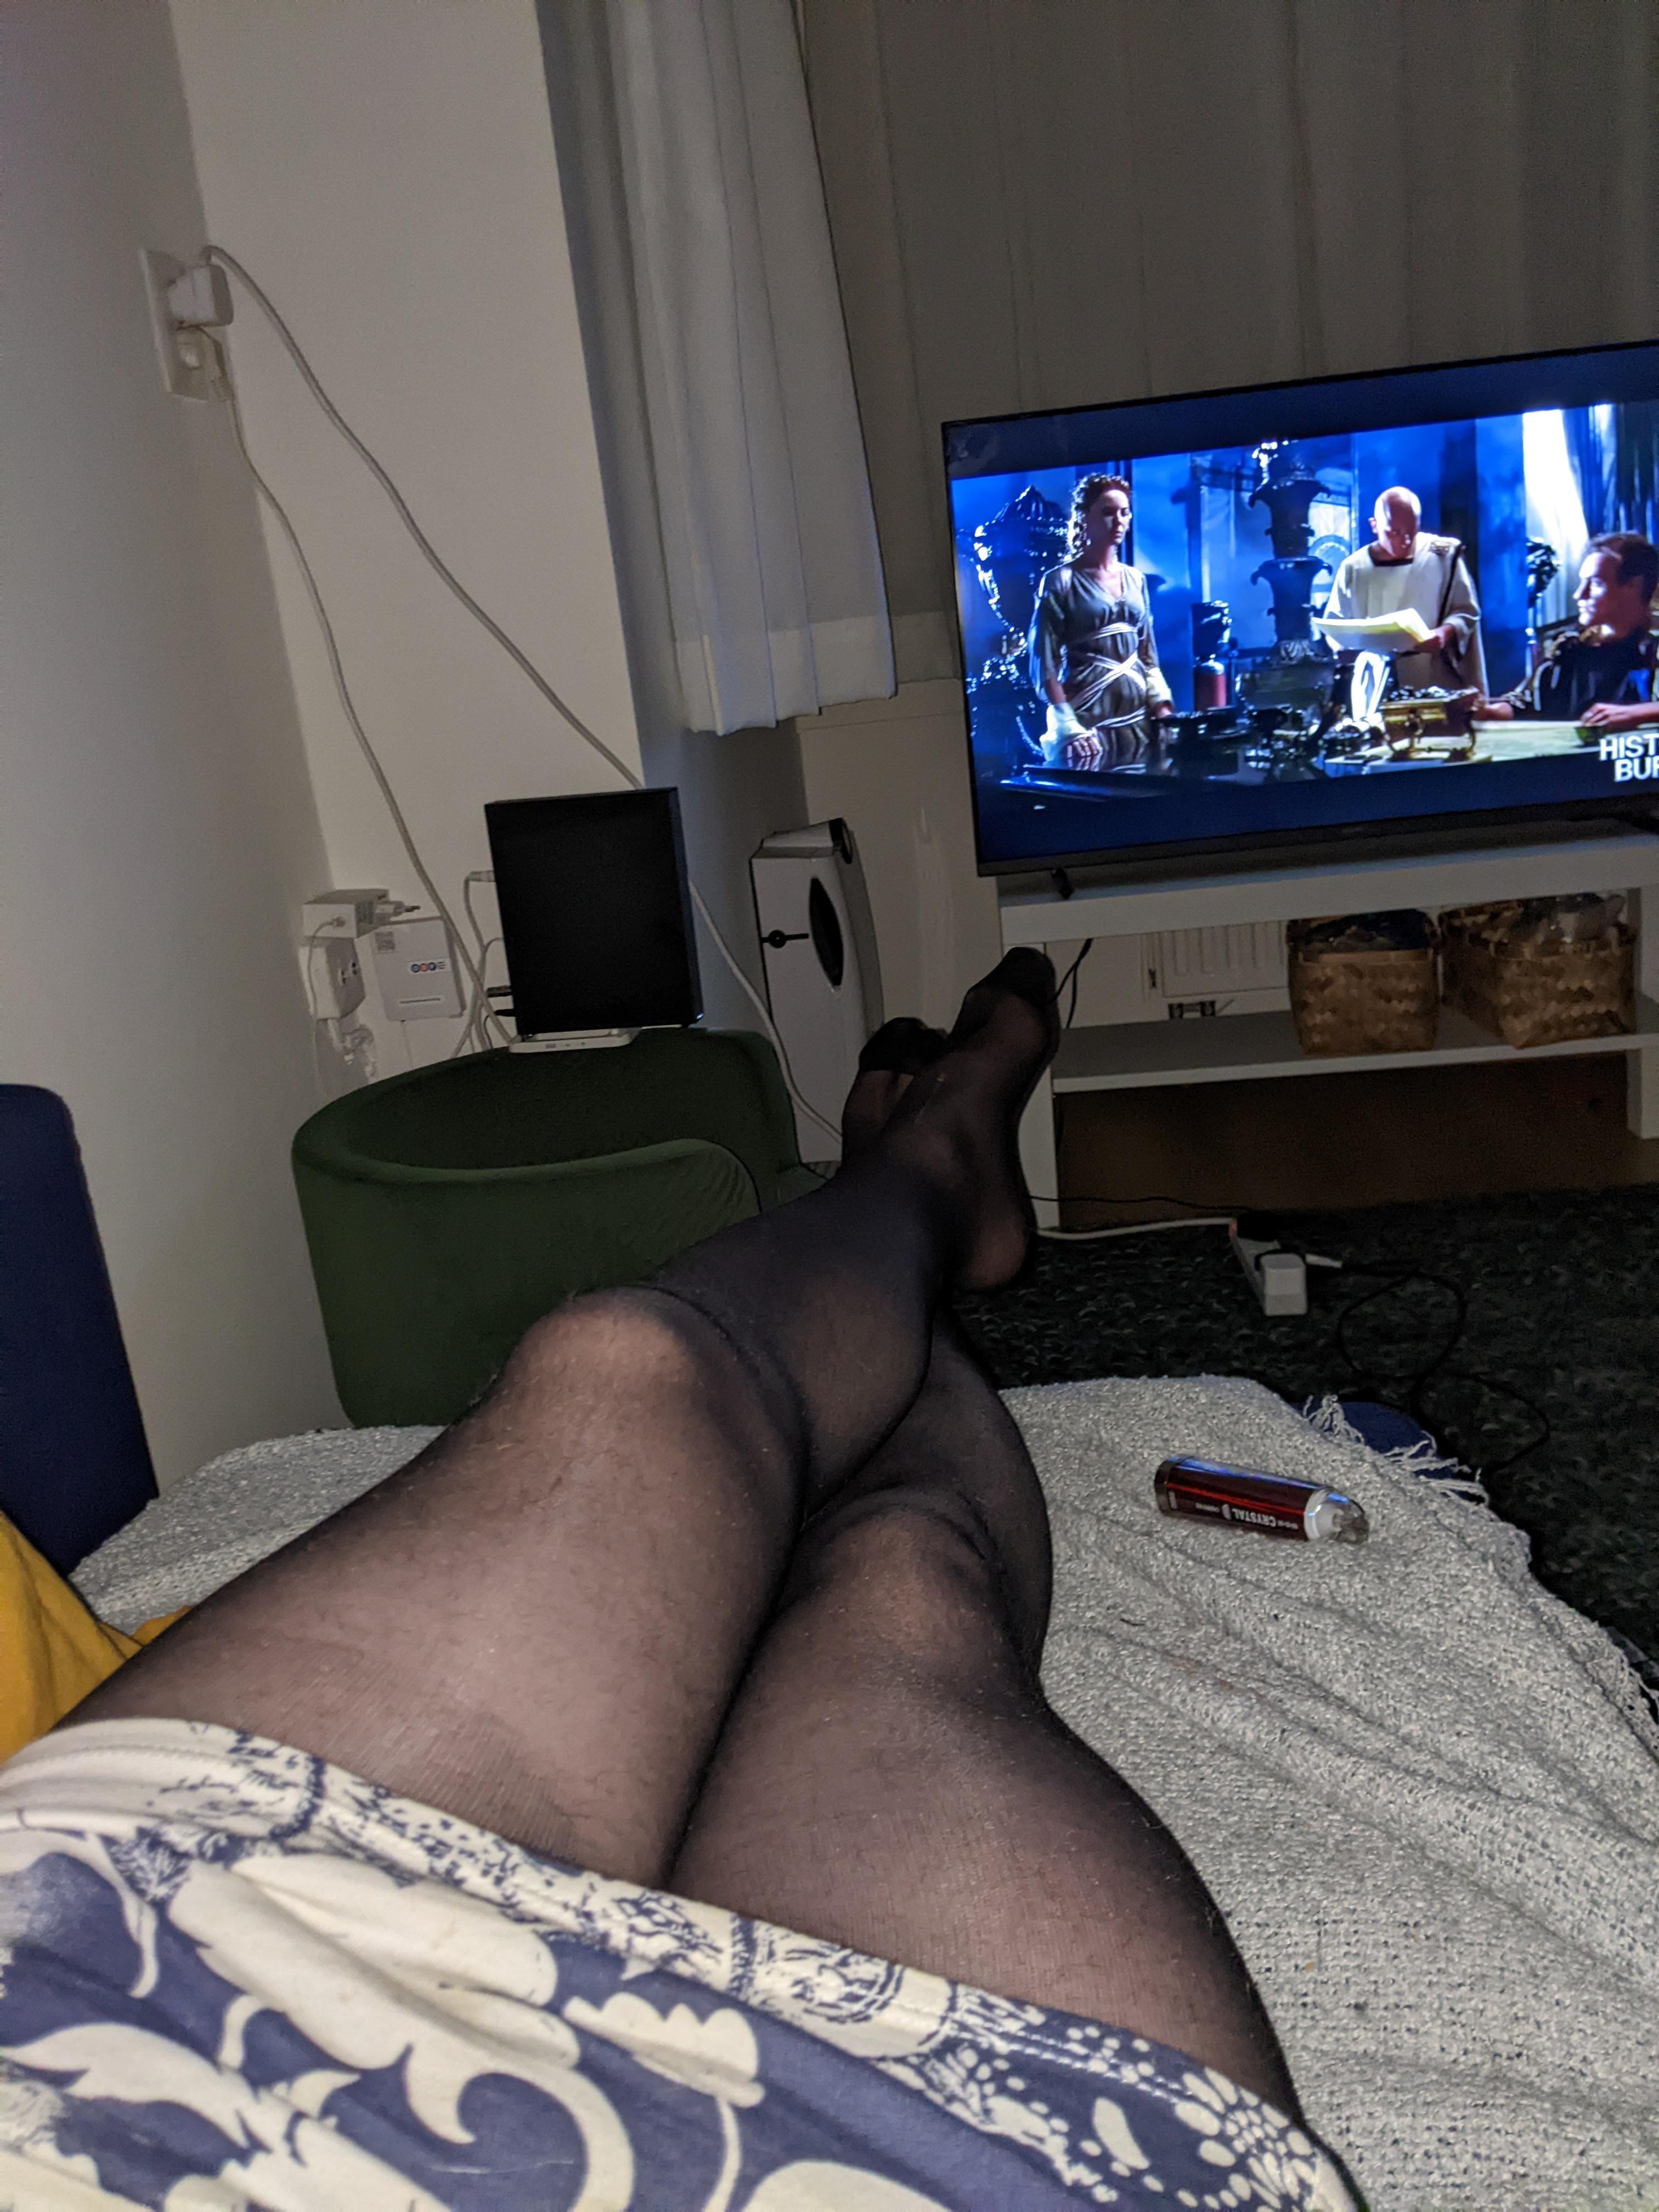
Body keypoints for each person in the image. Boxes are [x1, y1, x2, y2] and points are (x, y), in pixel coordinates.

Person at [0, 957, 1358, 2210]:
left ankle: (919, 1191)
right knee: (901, 1575)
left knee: (623, 1372)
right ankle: (923, 1186)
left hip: (86, 2011)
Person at [1030, 474, 1173, 770]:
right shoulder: (1061, 581)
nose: (1119, 521)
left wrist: (1163, 710)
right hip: (1088, 733)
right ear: (1085, 518)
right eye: (1108, 513)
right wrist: (1069, 727)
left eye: (1124, 513)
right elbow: (1045, 665)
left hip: (1140, 727)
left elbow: (1148, 656)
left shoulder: (1136, 579)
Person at [1477, 532, 1659, 727]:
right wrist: (1486, 711)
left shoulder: (1653, 649)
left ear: (1633, 585)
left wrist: (1637, 714)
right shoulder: (1570, 650)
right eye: (1583, 583)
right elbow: (1525, 703)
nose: (1579, 595)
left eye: (1595, 584)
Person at [1321, 486, 1487, 693]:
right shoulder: (1354, 567)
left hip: (1436, 677)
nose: (1405, 541)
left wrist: (1444, 634)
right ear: (1374, 526)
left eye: (1411, 531)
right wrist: (1343, 649)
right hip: (1376, 682)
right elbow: (1336, 624)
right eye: (1394, 533)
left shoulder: (1442, 555)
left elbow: (1466, 611)